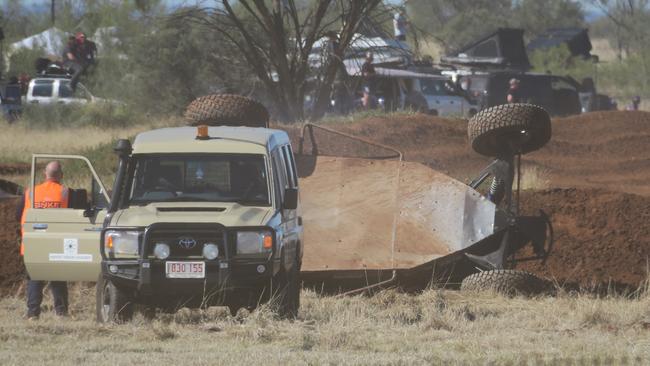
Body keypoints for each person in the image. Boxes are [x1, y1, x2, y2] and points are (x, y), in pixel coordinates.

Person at [16, 161, 70, 319]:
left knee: (34, 277)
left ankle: (33, 313)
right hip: (56, 243)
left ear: (44, 174)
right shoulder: (66, 192)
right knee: (58, 278)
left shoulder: (30, 192)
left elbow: (18, 215)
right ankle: (61, 313)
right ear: (61, 175)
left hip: (33, 243)